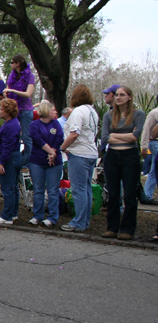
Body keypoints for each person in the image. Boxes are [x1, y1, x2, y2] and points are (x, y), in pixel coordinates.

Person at [100, 86, 145, 240]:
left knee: (130, 194)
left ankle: (127, 229)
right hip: (112, 155)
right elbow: (105, 137)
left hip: (130, 156)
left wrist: (116, 135)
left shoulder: (138, 114)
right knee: (113, 193)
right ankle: (112, 228)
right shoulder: (108, 115)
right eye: (116, 95)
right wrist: (125, 135)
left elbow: (135, 137)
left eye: (122, 95)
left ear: (129, 97)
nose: (118, 98)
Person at [60, 84, 99, 233]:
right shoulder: (93, 111)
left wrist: (62, 148)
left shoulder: (78, 112)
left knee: (78, 189)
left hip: (79, 153)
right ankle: (85, 220)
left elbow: (74, 133)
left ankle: (79, 222)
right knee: (86, 188)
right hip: (91, 153)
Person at [28, 101, 64, 228]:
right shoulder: (34, 124)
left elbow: (59, 138)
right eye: (53, 110)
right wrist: (50, 152)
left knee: (53, 190)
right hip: (37, 161)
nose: (55, 112)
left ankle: (53, 217)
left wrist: (53, 153)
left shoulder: (56, 124)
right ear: (46, 111)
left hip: (54, 163)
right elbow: (37, 139)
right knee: (38, 189)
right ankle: (37, 215)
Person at [0, 98, 23, 224]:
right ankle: (13, 212)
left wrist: (2, 163)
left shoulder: (10, 126)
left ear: (8, 111)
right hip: (13, 157)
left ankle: (7, 215)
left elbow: (7, 147)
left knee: (8, 187)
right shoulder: (11, 123)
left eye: (1, 109)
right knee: (13, 186)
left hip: (9, 159)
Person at [3, 54, 36, 164]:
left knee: (26, 137)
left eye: (12, 62)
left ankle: (26, 161)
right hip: (14, 109)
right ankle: (13, 158)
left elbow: (28, 94)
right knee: (13, 135)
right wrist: (6, 92)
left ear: (18, 63)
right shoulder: (11, 76)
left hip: (26, 110)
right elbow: (8, 89)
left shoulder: (30, 76)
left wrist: (13, 91)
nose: (11, 65)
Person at [141, 99, 158, 202]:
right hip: (155, 142)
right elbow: (146, 129)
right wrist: (144, 146)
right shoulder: (154, 113)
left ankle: (147, 195)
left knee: (154, 170)